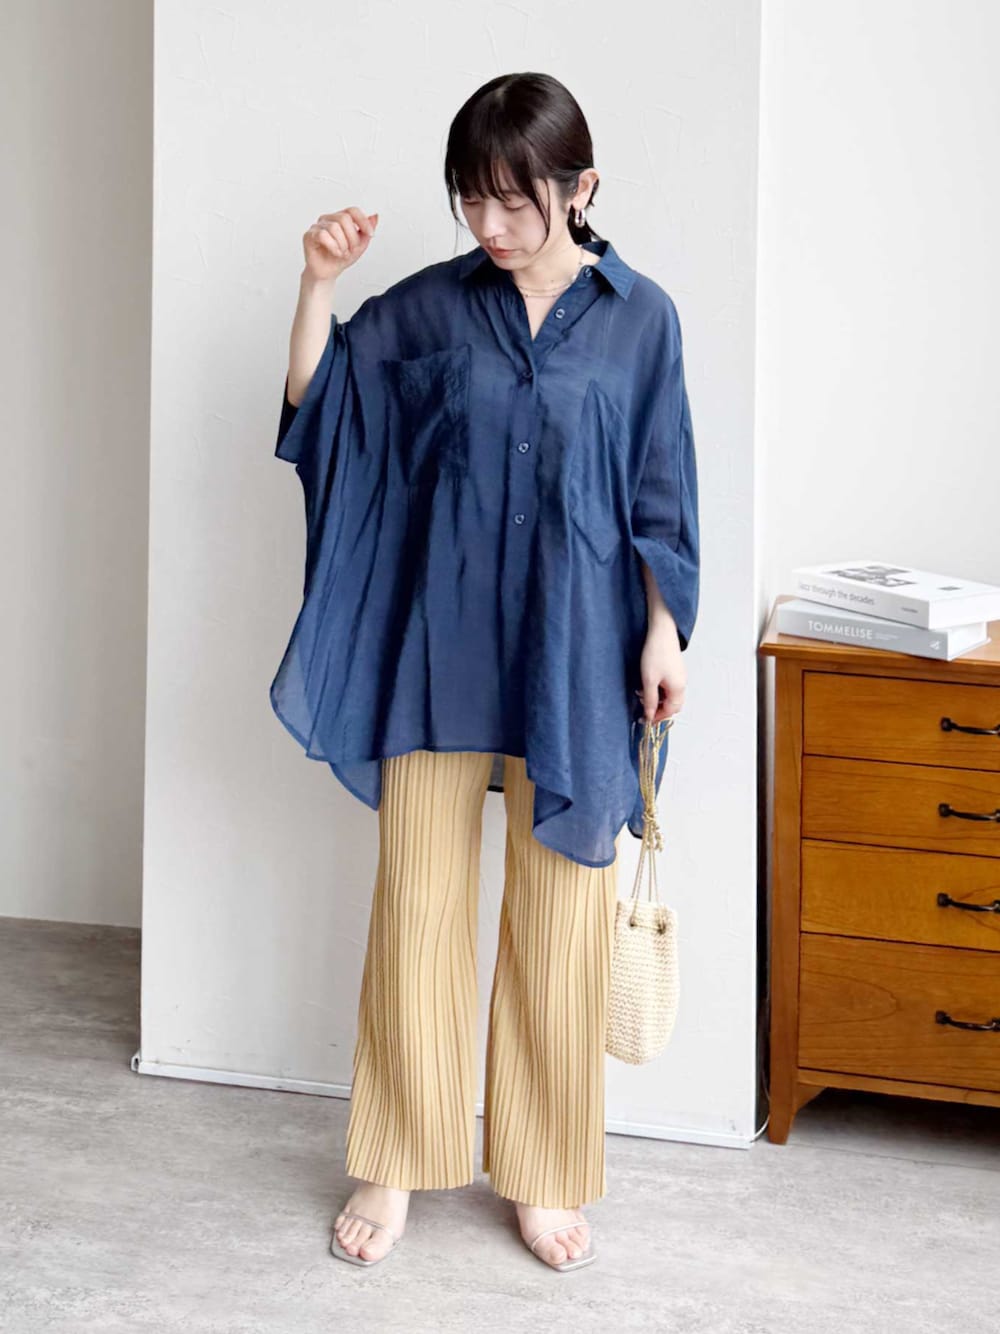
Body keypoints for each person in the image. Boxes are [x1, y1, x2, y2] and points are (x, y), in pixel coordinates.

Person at [270, 71, 700, 1271]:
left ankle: (544, 1168)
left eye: (515, 201)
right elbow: (321, 407)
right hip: (435, 647)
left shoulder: (641, 320)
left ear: (580, 187)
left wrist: (664, 631)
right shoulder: (432, 307)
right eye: (471, 199)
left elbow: (662, 490)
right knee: (417, 909)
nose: (491, 225)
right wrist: (317, 283)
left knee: (560, 920)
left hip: (575, 652)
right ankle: (395, 1158)